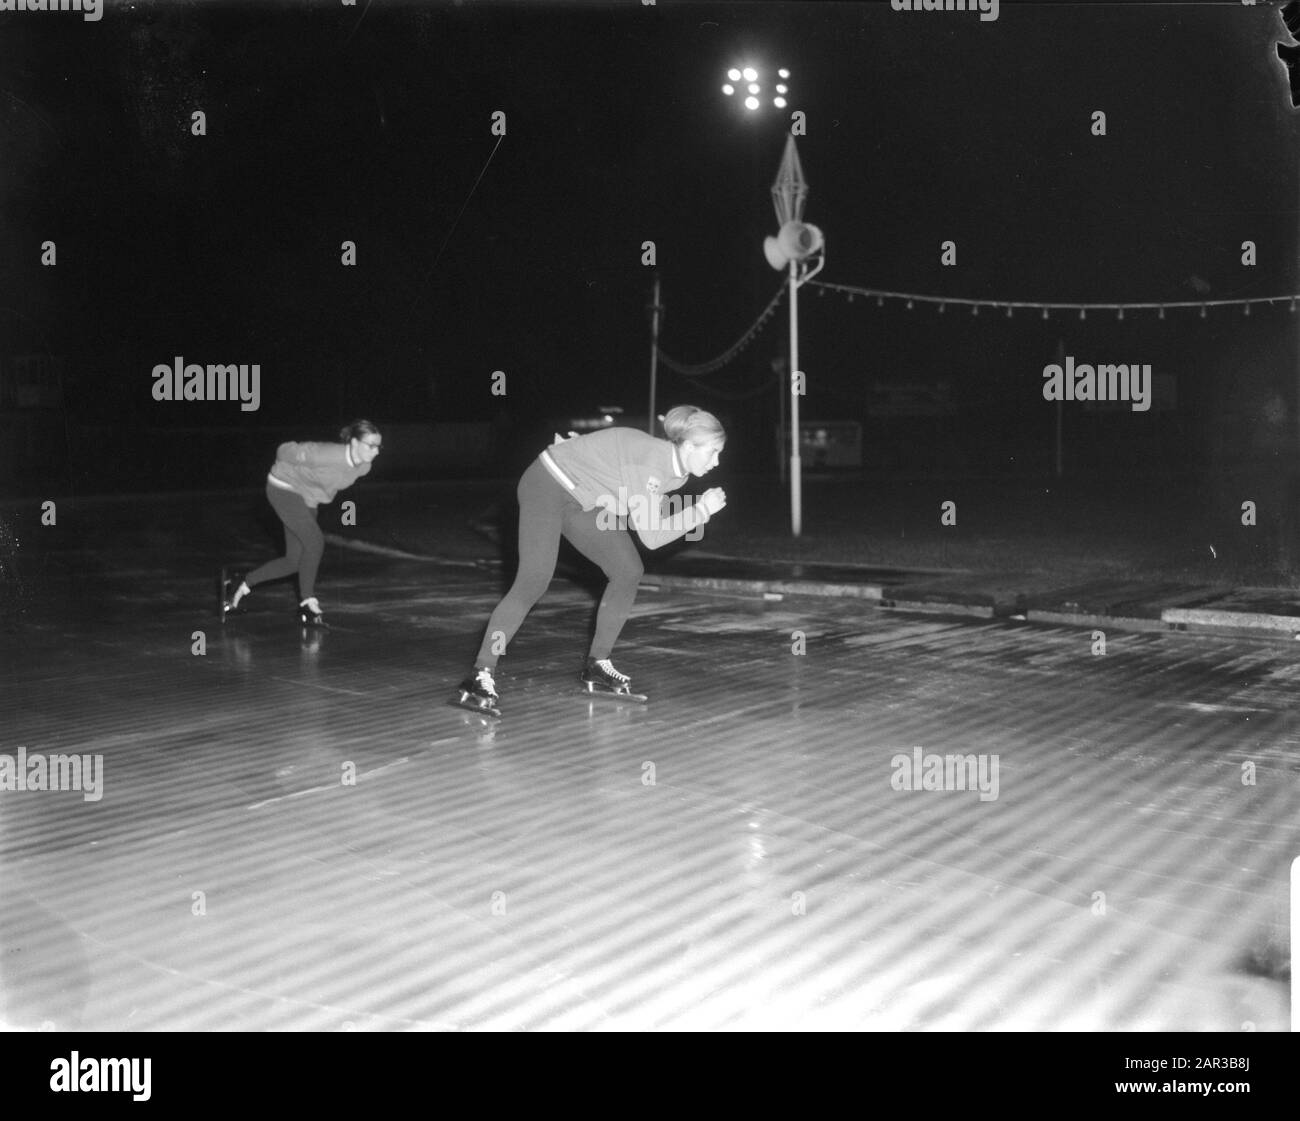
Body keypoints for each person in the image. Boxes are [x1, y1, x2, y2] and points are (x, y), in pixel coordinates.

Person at [455, 405, 727, 715]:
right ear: (689, 446)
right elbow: (652, 537)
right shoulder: (651, 463)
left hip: (582, 499)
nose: (716, 461)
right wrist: (700, 511)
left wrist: (582, 451)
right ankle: (480, 673)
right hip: (546, 484)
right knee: (534, 581)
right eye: (713, 452)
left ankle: (597, 664)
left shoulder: (676, 474)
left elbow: (637, 511)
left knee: (627, 570)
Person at [222, 420, 382, 627]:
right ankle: (307, 602)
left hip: (306, 499)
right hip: (283, 488)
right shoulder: (325, 453)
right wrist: (292, 467)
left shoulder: (364, 467)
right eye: (371, 445)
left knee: (295, 562)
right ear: (353, 442)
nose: (376, 451)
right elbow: (283, 451)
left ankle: (241, 583)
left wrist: (312, 499)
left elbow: (324, 483)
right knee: (315, 542)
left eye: (378, 446)